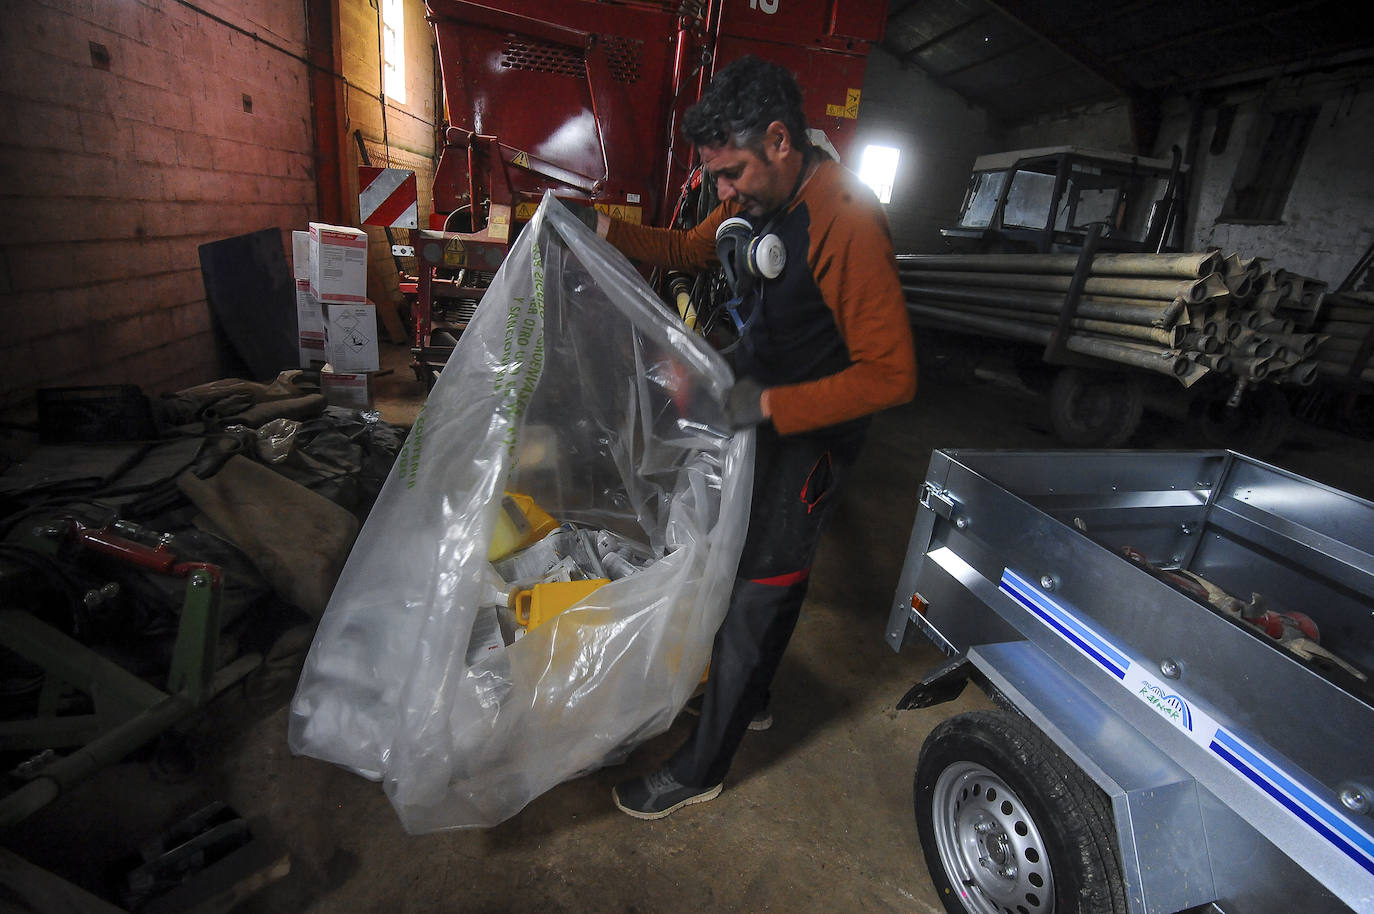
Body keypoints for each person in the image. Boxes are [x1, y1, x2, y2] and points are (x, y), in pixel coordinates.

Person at [584, 55, 916, 819]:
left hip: (811, 433)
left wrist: (767, 409)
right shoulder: (760, 197)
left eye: (729, 173)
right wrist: (596, 226)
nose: (722, 191)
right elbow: (690, 249)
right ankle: (751, 694)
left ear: (778, 140)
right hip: (758, 407)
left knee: (762, 585)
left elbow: (891, 375)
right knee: (738, 563)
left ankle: (703, 768)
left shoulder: (846, 219)